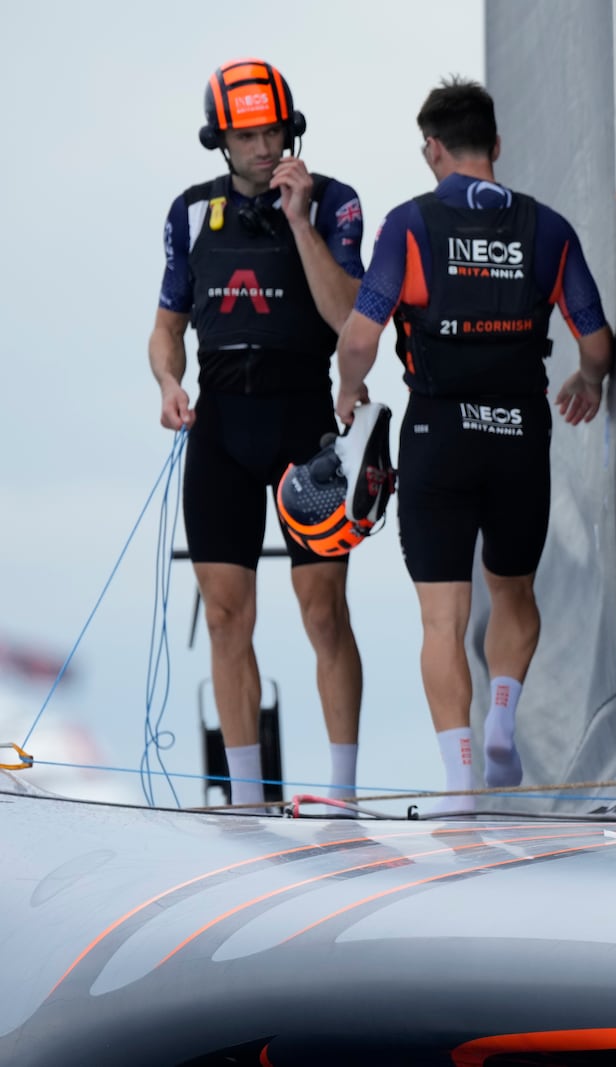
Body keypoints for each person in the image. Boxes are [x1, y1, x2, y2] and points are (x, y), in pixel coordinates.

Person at [334, 78, 615, 809]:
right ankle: (501, 710)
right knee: (514, 591)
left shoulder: (408, 225)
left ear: (434, 148)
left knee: (442, 618)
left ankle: (459, 781)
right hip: (519, 429)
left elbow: (360, 337)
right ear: (495, 145)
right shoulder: (548, 229)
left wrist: (348, 392)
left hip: (437, 432)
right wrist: (590, 380)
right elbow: (598, 339)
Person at [149, 58, 366, 805]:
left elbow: (347, 317)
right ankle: (244, 798)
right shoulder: (189, 212)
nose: (264, 145)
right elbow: (166, 327)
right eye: (248, 135)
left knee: (323, 607)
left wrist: (297, 218)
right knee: (223, 611)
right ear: (222, 139)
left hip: (304, 418)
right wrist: (169, 383)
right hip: (221, 421)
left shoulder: (334, 203)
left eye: (274, 130)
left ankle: (341, 792)